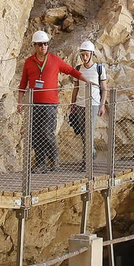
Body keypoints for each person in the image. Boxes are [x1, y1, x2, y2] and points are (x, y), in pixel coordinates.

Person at [17, 30, 85, 172]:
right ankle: (41, 164)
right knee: (35, 134)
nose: (43, 47)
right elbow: (23, 82)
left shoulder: (55, 60)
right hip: (34, 103)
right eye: (40, 44)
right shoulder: (29, 62)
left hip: (50, 104)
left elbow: (71, 71)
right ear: (35, 46)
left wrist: (87, 80)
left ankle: (54, 159)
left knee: (47, 132)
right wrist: (20, 101)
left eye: (46, 44)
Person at [67, 40, 108, 163]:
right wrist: (72, 103)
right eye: (82, 55)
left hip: (94, 103)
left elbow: (105, 88)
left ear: (92, 54)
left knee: (88, 132)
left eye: (86, 54)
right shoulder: (78, 69)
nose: (84, 57)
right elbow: (76, 87)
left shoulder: (99, 69)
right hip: (80, 103)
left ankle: (86, 161)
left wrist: (102, 106)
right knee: (83, 132)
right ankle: (92, 151)